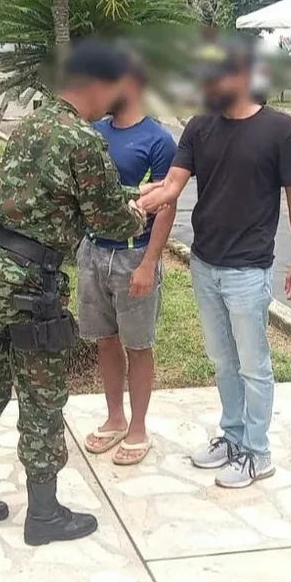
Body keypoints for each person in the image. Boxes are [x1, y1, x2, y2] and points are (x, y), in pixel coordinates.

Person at [0, 40, 146, 546]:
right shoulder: (82, 139)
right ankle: (45, 513)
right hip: (30, 284)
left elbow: (4, 198)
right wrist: (139, 210)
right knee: (42, 393)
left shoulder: (31, 124)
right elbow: (107, 217)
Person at [137, 36, 291, 489]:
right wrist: (146, 198)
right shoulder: (200, 127)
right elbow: (173, 184)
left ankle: (258, 452)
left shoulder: (280, 129)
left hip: (249, 268)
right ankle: (233, 437)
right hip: (205, 262)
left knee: (254, 364)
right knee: (222, 360)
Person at [80, 56, 177, 466]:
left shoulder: (159, 140)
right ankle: (115, 417)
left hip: (133, 251)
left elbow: (167, 205)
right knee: (105, 339)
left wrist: (148, 263)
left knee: (138, 344)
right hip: (92, 251)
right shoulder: (94, 132)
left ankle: (138, 426)